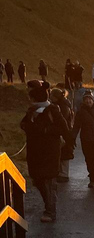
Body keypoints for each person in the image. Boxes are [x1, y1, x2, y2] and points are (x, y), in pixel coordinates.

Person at [20, 80, 72, 222]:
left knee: (48, 180)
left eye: (31, 98)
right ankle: (48, 204)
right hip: (34, 152)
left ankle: (50, 211)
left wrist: (45, 130)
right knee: (37, 179)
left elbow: (64, 128)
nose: (29, 100)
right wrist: (29, 126)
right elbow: (23, 124)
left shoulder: (52, 110)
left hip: (50, 151)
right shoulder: (31, 111)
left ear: (35, 98)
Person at [50, 88, 75, 182]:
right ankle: (61, 173)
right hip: (65, 131)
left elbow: (62, 121)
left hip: (64, 132)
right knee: (62, 152)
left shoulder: (62, 106)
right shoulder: (64, 104)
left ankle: (63, 174)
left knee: (64, 153)